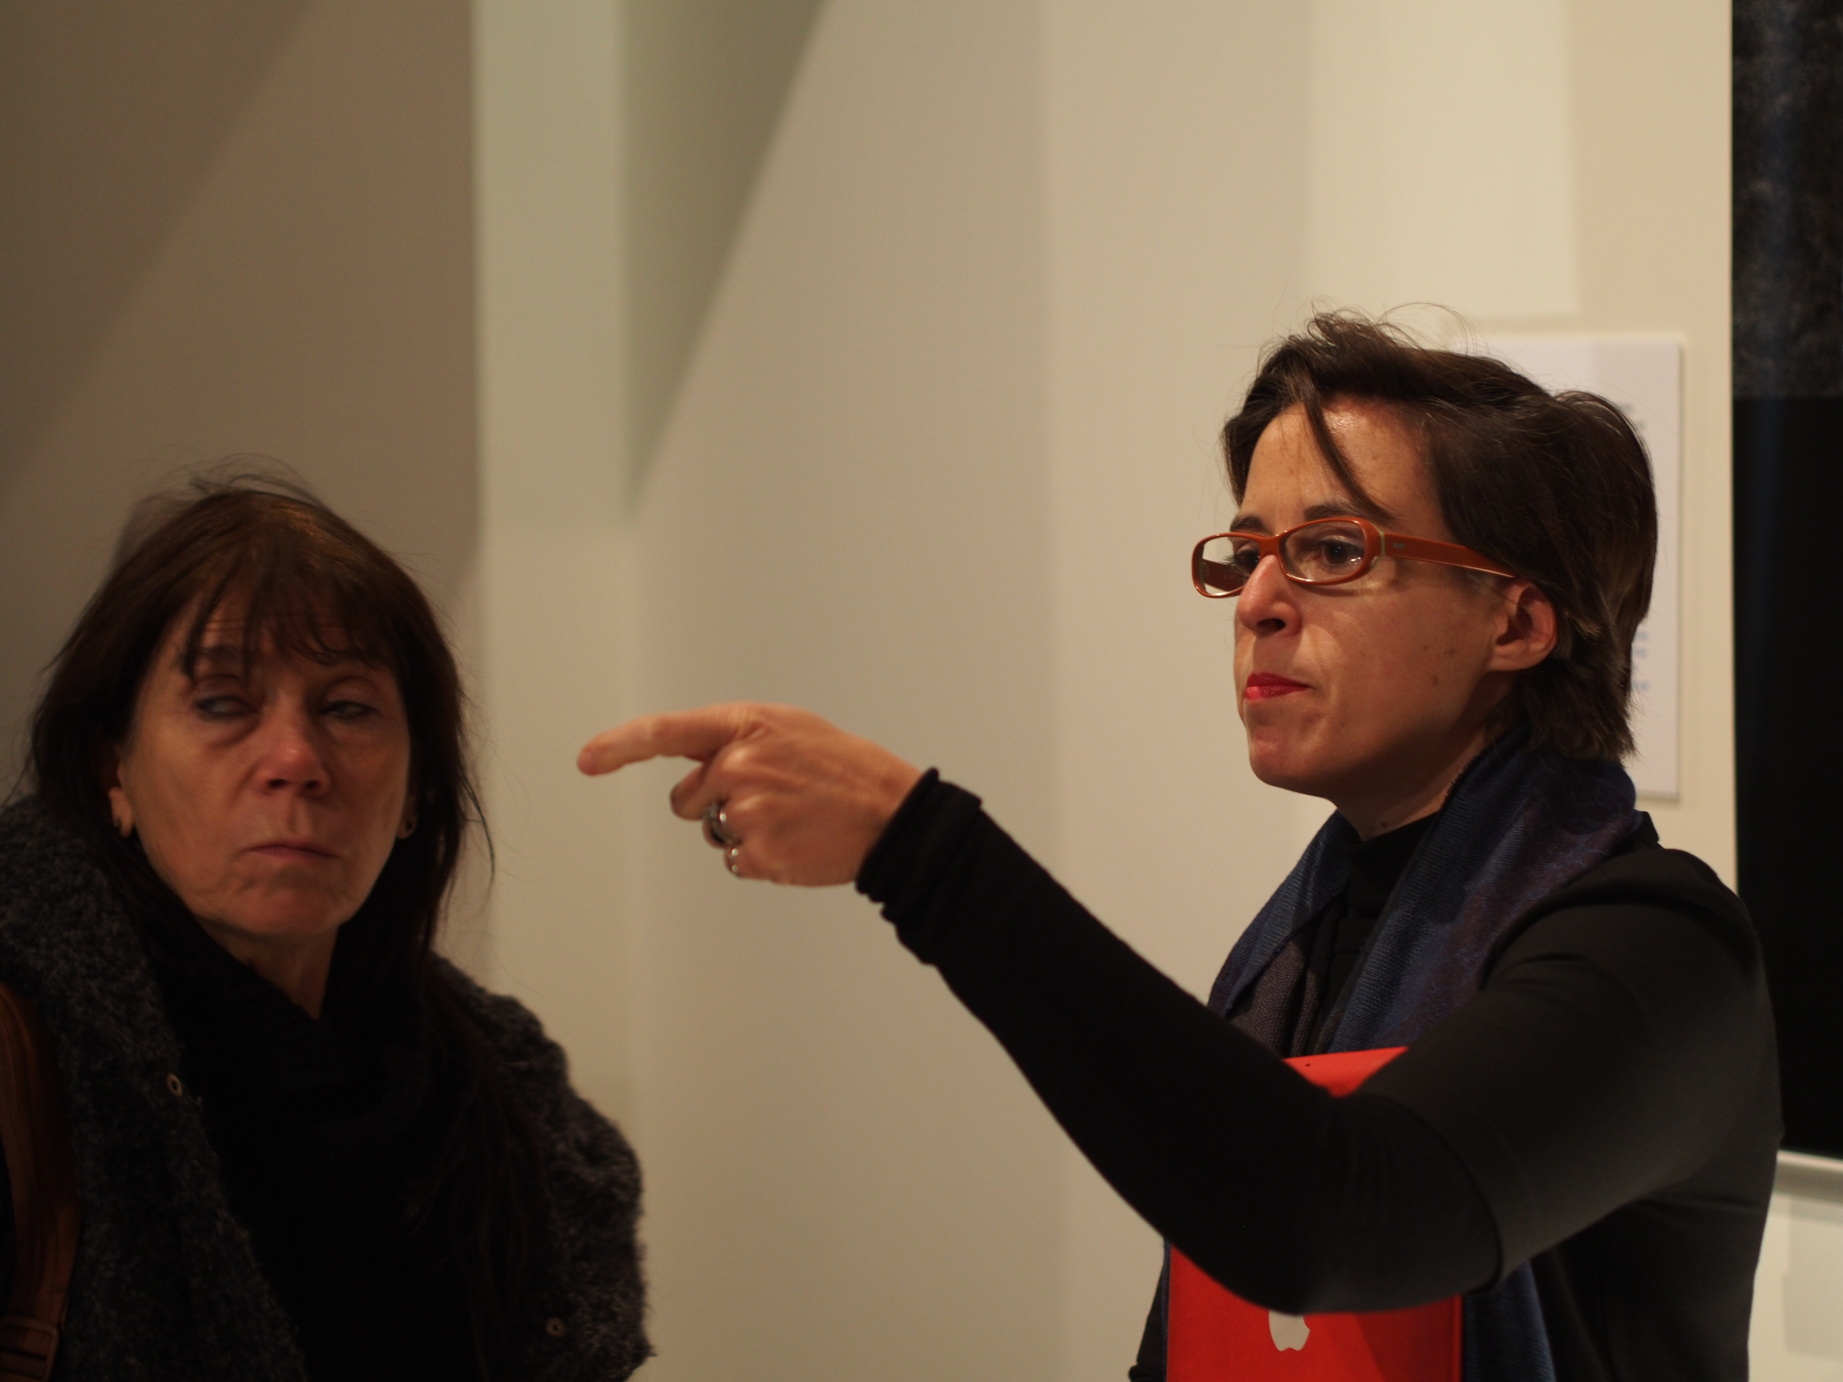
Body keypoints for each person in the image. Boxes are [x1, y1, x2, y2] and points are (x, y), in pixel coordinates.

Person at [579, 313, 1779, 1381]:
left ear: (1514, 621)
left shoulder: (1655, 952)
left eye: (1331, 549)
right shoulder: (1301, 941)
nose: (1257, 599)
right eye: (1246, 553)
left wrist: (922, 850)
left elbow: (1334, 1217)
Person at [0, 475, 649, 1381]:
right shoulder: (26, 1048)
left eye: (346, 708)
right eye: (222, 702)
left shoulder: (515, 1106)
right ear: (114, 769)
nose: (296, 761)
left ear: (416, 791)